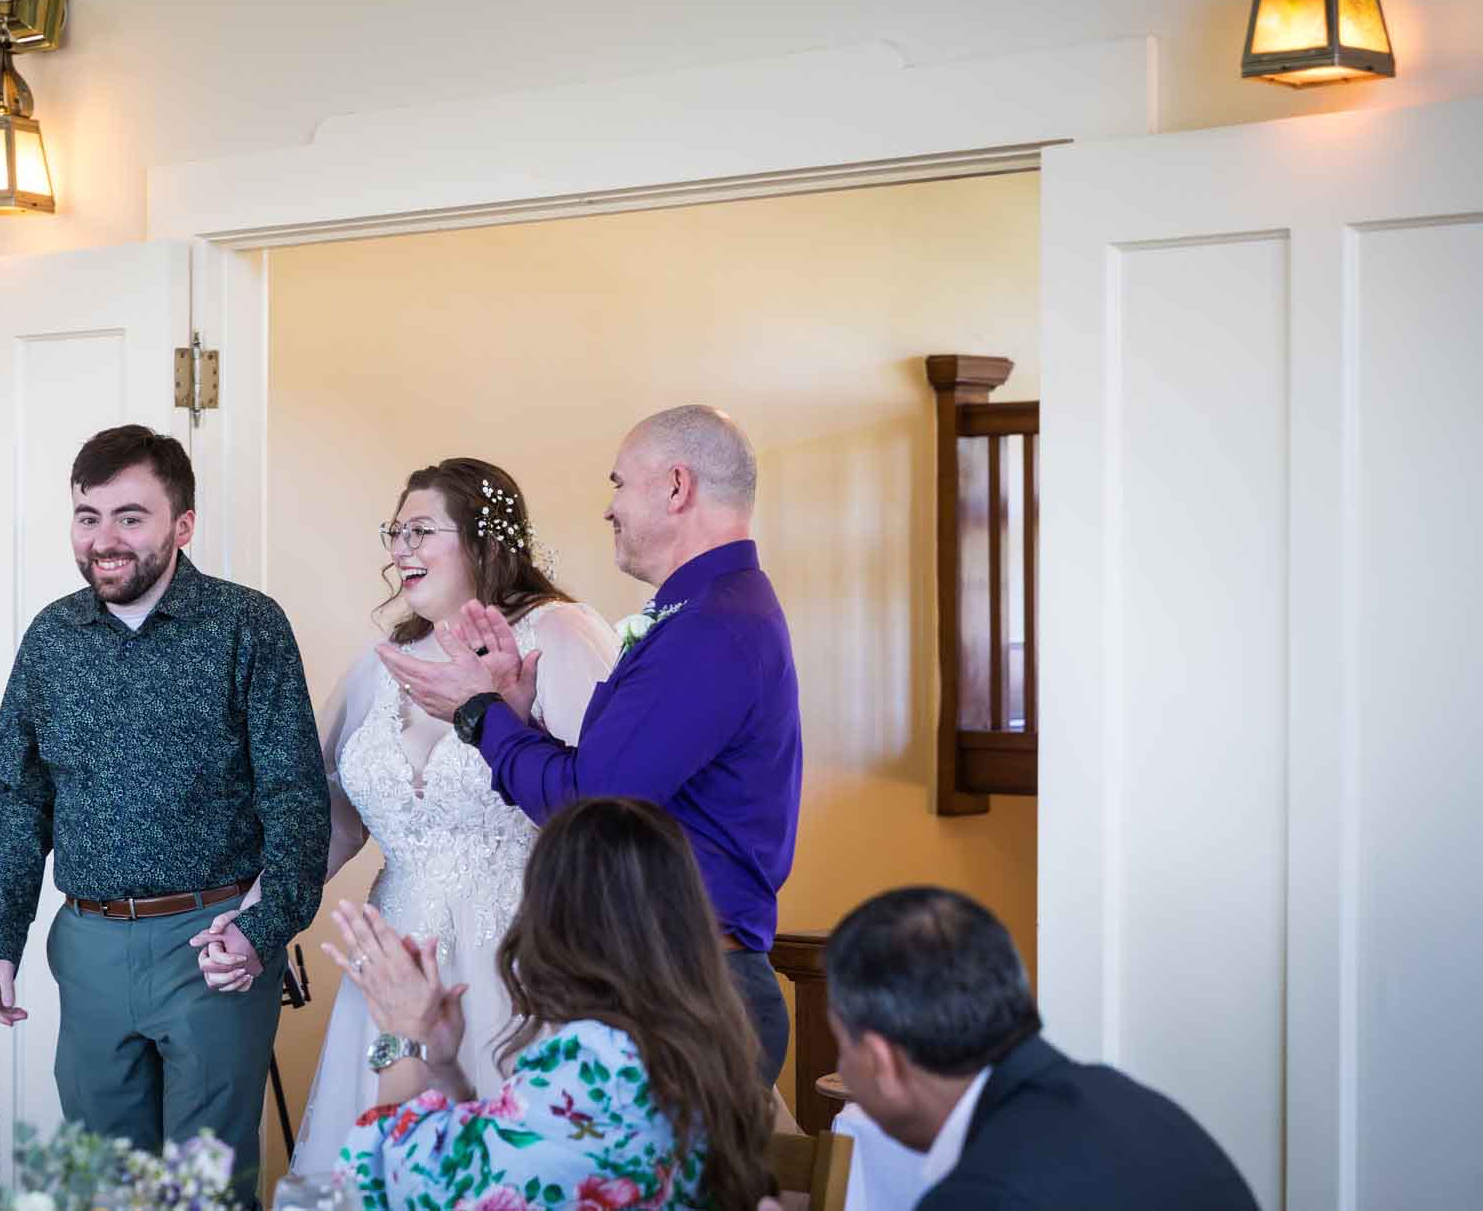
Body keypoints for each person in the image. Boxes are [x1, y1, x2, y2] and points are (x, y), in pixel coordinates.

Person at [221, 458, 618, 1179]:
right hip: (396, 954)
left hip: (528, 951)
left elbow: (605, 802)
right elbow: (330, 820)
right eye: (393, 531)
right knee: (392, 1166)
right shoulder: (380, 665)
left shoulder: (556, 634)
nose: (398, 548)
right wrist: (258, 915)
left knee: (511, 1168)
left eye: (419, 530)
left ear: (484, 539)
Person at [378, 405, 801, 1080]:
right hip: (670, 974)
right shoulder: (707, 610)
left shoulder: (713, 627)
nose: (609, 508)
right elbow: (611, 777)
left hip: (691, 985)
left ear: (675, 486)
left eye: (618, 483)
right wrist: (520, 713)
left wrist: (480, 714)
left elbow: (594, 807)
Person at [0, 423, 329, 1206]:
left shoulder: (247, 625)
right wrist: (0, 936)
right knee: (102, 1186)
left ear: (182, 525)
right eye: (88, 516)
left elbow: (300, 801)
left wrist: (265, 928)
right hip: (89, 944)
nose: (104, 539)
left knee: (207, 1191)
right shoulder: (50, 638)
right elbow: (20, 796)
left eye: (130, 516)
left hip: (213, 941)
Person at [326, 796, 775, 1210]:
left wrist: (402, 1038)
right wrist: (443, 1066)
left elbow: (383, 1191)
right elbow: (498, 1162)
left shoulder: (597, 1063)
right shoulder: (693, 1041)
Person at [825, 886, 1260, 1211]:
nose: (841, 1064)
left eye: (841, 1044)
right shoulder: (1132, 1105)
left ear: (883, 1062)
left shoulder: (984, 1196)